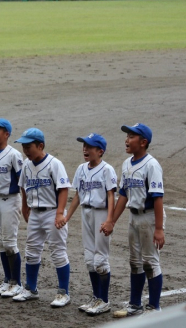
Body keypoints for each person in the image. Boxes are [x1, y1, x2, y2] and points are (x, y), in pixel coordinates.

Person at [56, 133, 116, 316]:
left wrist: (110, 220)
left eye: (89, 147)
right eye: (84, 146)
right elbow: (78, 196)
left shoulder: (107, 170)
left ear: (100, 151)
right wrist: (67, 216)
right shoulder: (81, 169)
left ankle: (104, 300)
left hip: (101, 214)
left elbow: (111, 195)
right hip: (86, 213)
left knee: (100, 259)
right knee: (90, 259)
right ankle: (96, 296)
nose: (85, 149)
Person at [12, 128, 72, 308]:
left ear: (40, 145)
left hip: (52, 212)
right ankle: (31, 289)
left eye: (28, 146)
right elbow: (23, 188)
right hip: (35, 213)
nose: (25, 150)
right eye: (23, 146)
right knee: (31, 251)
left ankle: (63, 293)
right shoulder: (26, 165)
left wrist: (60, 212)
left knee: (58, 252)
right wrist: (24, 208)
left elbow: (63, 189)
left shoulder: (55, 164)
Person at [112, 123, 165, 318]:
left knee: (150, 262)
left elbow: (158, 197)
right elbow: (124, 194)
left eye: (131, 136)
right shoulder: (127, 164)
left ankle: (154, 308)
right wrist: (112, 221)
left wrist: (159, 229)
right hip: (133, 217)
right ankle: (135, 305)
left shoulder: (151, 165)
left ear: (143, 142)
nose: (126, 139)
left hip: (149, 216)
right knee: (135, 262)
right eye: (127, 136)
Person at [0, 118, 24, 298]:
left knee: (9, 243)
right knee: (0, 243)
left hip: (10, 200)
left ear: (6, 134)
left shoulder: (14, 154)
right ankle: (7, 280)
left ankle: (17, 283)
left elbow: (22, 181)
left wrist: (25, 204)